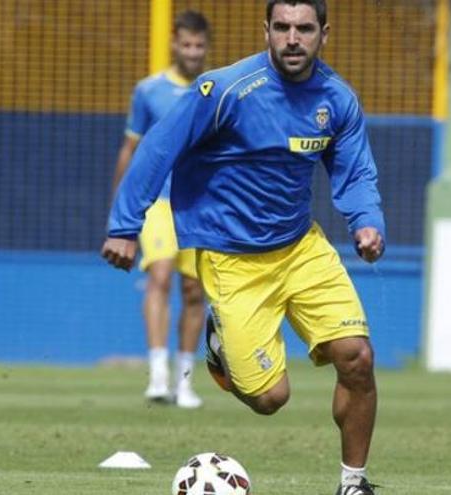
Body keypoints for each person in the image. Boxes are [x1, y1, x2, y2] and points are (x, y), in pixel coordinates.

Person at [102, 1, 384, 493]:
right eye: (282, 27)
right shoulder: (225, 89)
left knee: (356, 355)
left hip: (302, 249)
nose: (292, 38)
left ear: (324, 33)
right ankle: (219, 348)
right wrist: (125, 226)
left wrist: (366, 221)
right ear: (267, 31)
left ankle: (353, 482)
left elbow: (354, 169)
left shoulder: (336, 99)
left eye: (304, 28)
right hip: (234, 261)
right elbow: (158, 147)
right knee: (271, 398)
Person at [111, 11, 211, 409]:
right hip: (159, 200)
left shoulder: (215, 90)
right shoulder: (149, 91)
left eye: (199, 45)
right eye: (185, 44)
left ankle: (185, 382)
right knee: (161, 276)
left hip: (201, 203)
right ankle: (157, 375)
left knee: (193, 290)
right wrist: (120, 214)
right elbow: (130, 149)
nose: (192, 52)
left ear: (207, 47)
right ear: (173, 43)